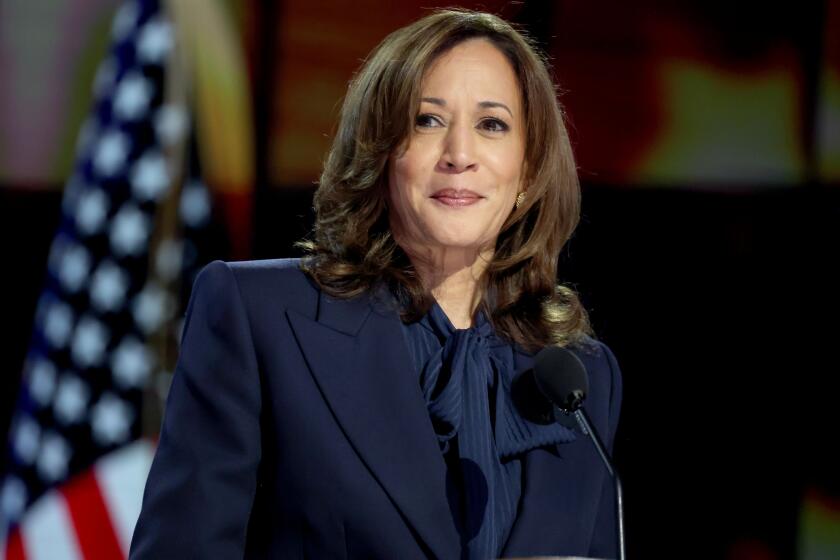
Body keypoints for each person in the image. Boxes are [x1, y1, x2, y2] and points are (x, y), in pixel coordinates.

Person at [129, 8, 622, 560]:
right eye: (426, 120)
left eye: (492, 125)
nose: (460, 156)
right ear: (381, 152)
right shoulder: (258, 316)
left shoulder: (578, 377)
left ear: (528, 172)